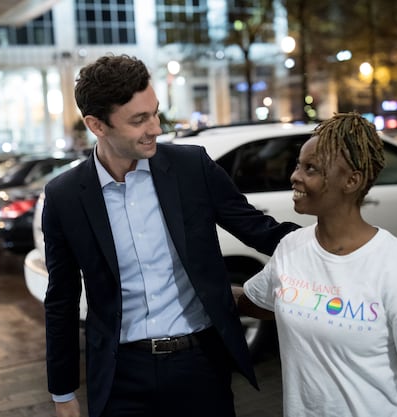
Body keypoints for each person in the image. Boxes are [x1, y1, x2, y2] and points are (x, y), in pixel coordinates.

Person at [41, 53, 299, 417]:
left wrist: (340, 246)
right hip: (120, 376)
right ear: (97, 125)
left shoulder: (192, 167)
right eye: (139, 119)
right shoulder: (64, 197)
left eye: (155, 112)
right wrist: (63, 392)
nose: (156, 128)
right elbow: (61, 300)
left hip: (200, 366)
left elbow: (260, 231)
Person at [234, 112, 397, 417]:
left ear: (352, 180)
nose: (295, 176)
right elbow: (252, 301)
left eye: (311, 169)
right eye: (298, 165)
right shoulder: (291, 249)